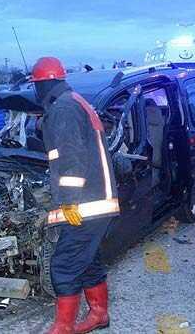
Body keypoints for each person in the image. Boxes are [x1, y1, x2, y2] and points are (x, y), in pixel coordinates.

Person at [32, 57, 120, 334]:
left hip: (87, 203)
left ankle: (64, 327)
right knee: (88, 260)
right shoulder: (74, 101)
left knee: (65, 265)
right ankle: (99, 315)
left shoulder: (64, 108)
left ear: (43, 84)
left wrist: (68, 199)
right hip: (98, 199)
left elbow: (71, 157)